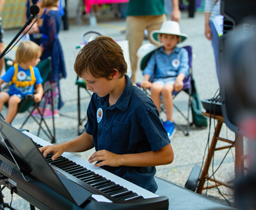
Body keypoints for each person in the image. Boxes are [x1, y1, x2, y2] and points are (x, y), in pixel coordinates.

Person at [39, 36, 174, 193]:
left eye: (92, 81)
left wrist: (119, 159)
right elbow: (90, 136)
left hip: (134, 188)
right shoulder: (99, 97)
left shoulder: (141, 106)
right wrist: (63, 147)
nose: (88, 87)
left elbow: (166, 155)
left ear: (113, 74)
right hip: (105, 179)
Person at [140, 21, 189, 139]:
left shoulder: (182, 52)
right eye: (165, 37)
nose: (168, 40)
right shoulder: (156, 53)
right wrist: (146, 79)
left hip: (173, 80)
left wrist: (179, 79)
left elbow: (184, 67)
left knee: (167, 89)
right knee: (155, 87)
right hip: (159, 79)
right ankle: (157, 120)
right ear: (160, 38)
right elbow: (149, 68)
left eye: (172, 38)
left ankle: (169, 121)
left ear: (178, 39)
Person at [126, 0, 181, 84]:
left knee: (163, 49)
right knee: (131, 51)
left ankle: (162, 83)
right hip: (135, 12)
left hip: (157, 11)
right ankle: (129, 86)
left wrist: (176, 8)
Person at [0, 41, 43, 124]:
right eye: (36, 58)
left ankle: (6, 124)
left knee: (13, 100)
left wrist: (39, 94)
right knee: (2, 95)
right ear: (27, 60)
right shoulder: (14, 69)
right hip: (11, 93)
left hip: (25, 98)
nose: (39, 60)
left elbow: (39, 87)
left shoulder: (35, 71)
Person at [32, 0, 66, 118]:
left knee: (51, 78)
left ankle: (52, 108)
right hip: (52, 48)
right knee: (47, 78)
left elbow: (51, 35)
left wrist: (42, 47)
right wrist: (39, 29)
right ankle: (44, 106)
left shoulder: (50, 15)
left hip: (50, 50)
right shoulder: (54, 13)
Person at [204, 0, 221, 84]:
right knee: (220, 58)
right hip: (217, 22)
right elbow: (209, 3)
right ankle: (223, 91)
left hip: (241, 20)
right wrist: (206, 24)